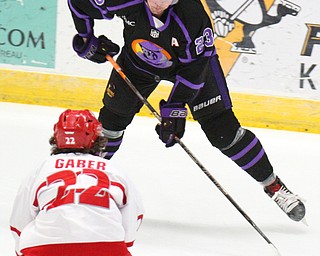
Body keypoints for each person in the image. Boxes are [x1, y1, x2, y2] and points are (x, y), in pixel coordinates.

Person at [67, 0, 305, 222]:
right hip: (138, 64)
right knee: (111, 121)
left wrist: (176, 108)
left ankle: (274, 186)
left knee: (223, 132)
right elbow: (78, 3)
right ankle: (81, 185)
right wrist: (86, 39)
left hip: (190, 69)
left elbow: (194, 72)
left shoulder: (193, 17)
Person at [10, 109, 144, 256]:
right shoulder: (114, 169)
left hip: (45, 247)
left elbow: (19, 222)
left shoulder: (42, 168)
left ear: (56, 137)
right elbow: (133, 217)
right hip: (106, 247)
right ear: (97, 138)